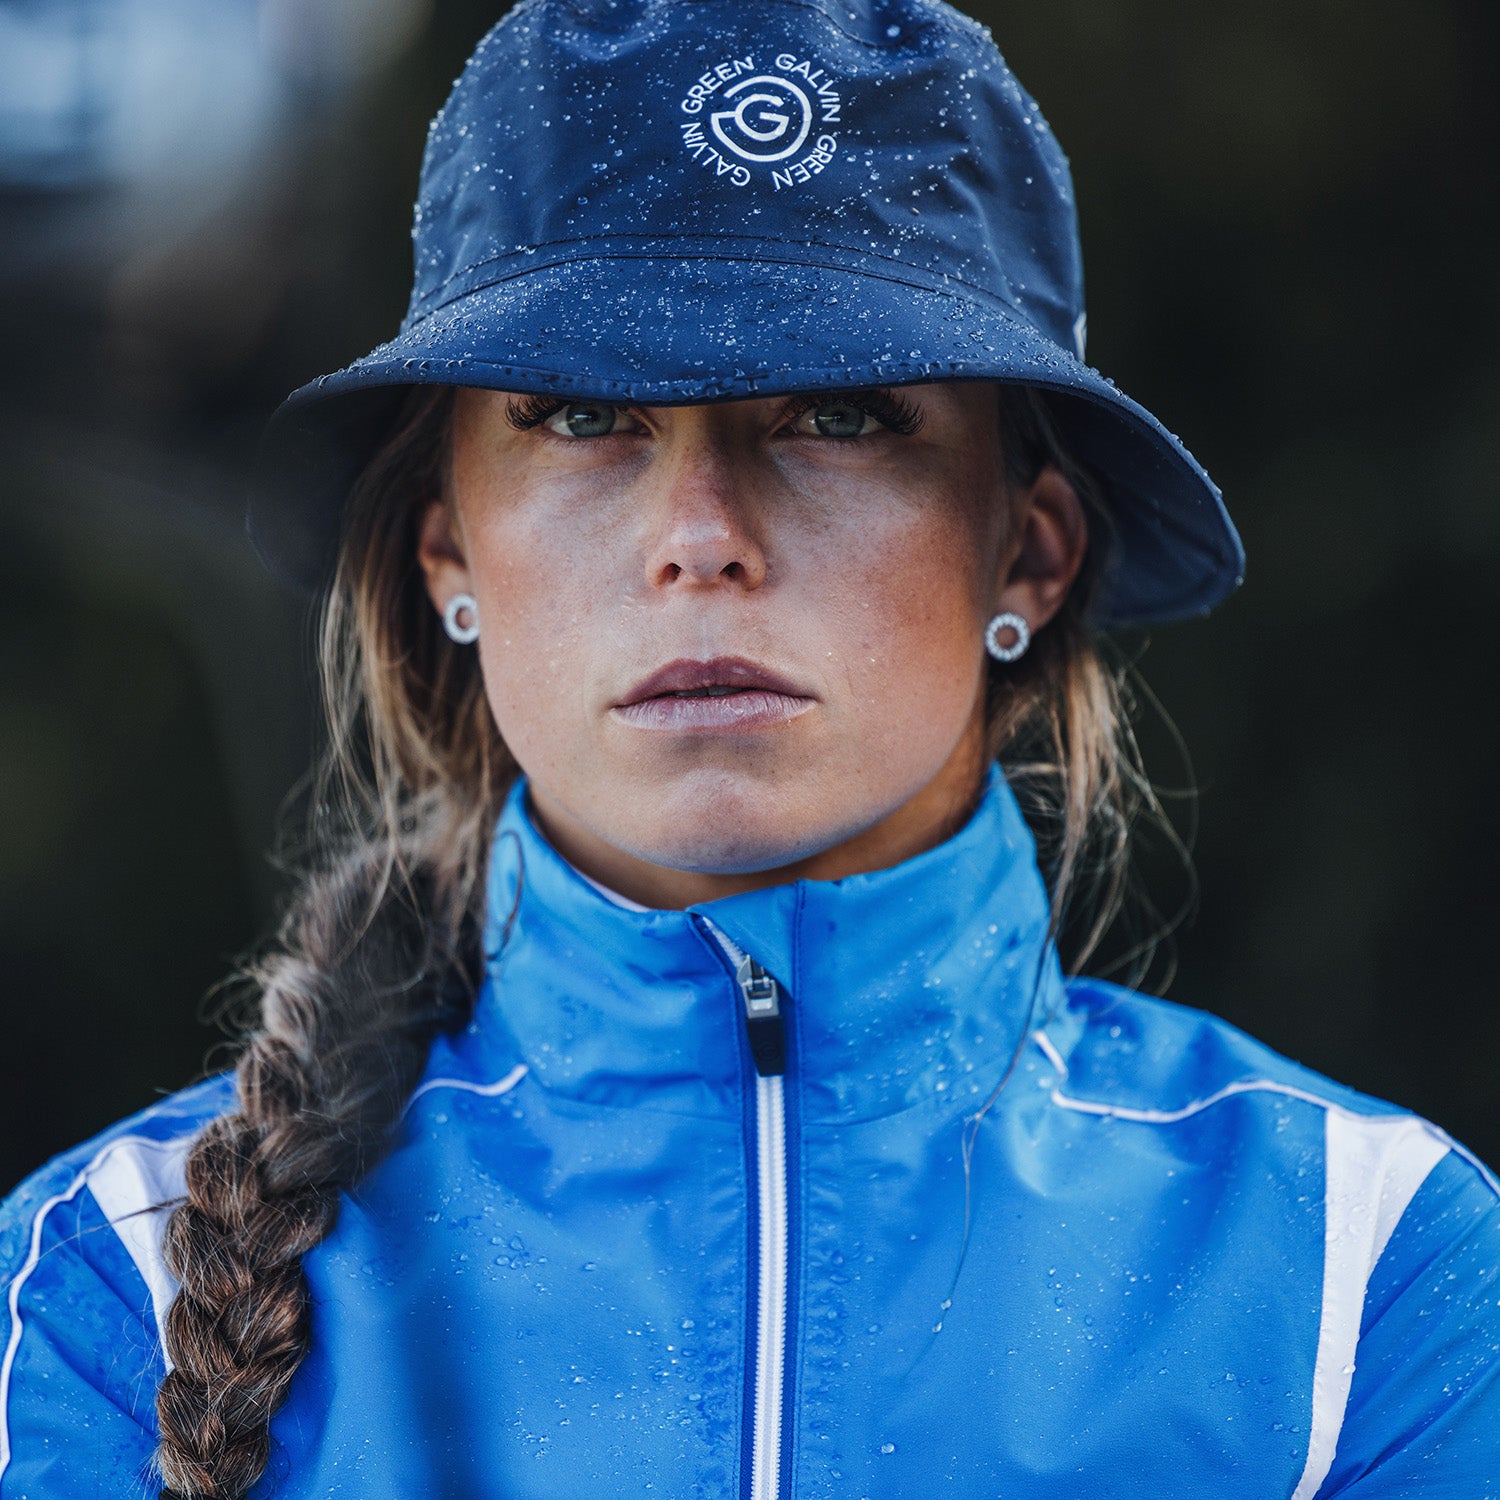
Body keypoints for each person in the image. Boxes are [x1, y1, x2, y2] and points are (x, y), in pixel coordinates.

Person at [2, 0, 1496, 1496]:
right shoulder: (95, 1297)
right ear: (447, 553)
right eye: (584, 415)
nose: (700, 539)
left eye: (838, 414)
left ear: (1027, 555)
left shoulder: (1369, 1282)